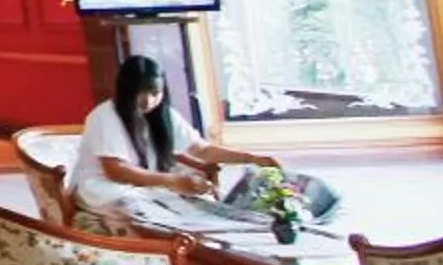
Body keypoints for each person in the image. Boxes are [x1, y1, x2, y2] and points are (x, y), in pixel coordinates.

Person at [65, 53, 283, 224]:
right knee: (150, 215)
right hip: (105, 188)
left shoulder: (166, 115)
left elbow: (201, 150)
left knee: (204, 211)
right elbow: (116, 171)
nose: (148, 100)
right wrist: (173, 181)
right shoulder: (104, 116)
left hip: (147, 187)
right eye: (140, 93)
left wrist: (252, 158)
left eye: (154, 93)